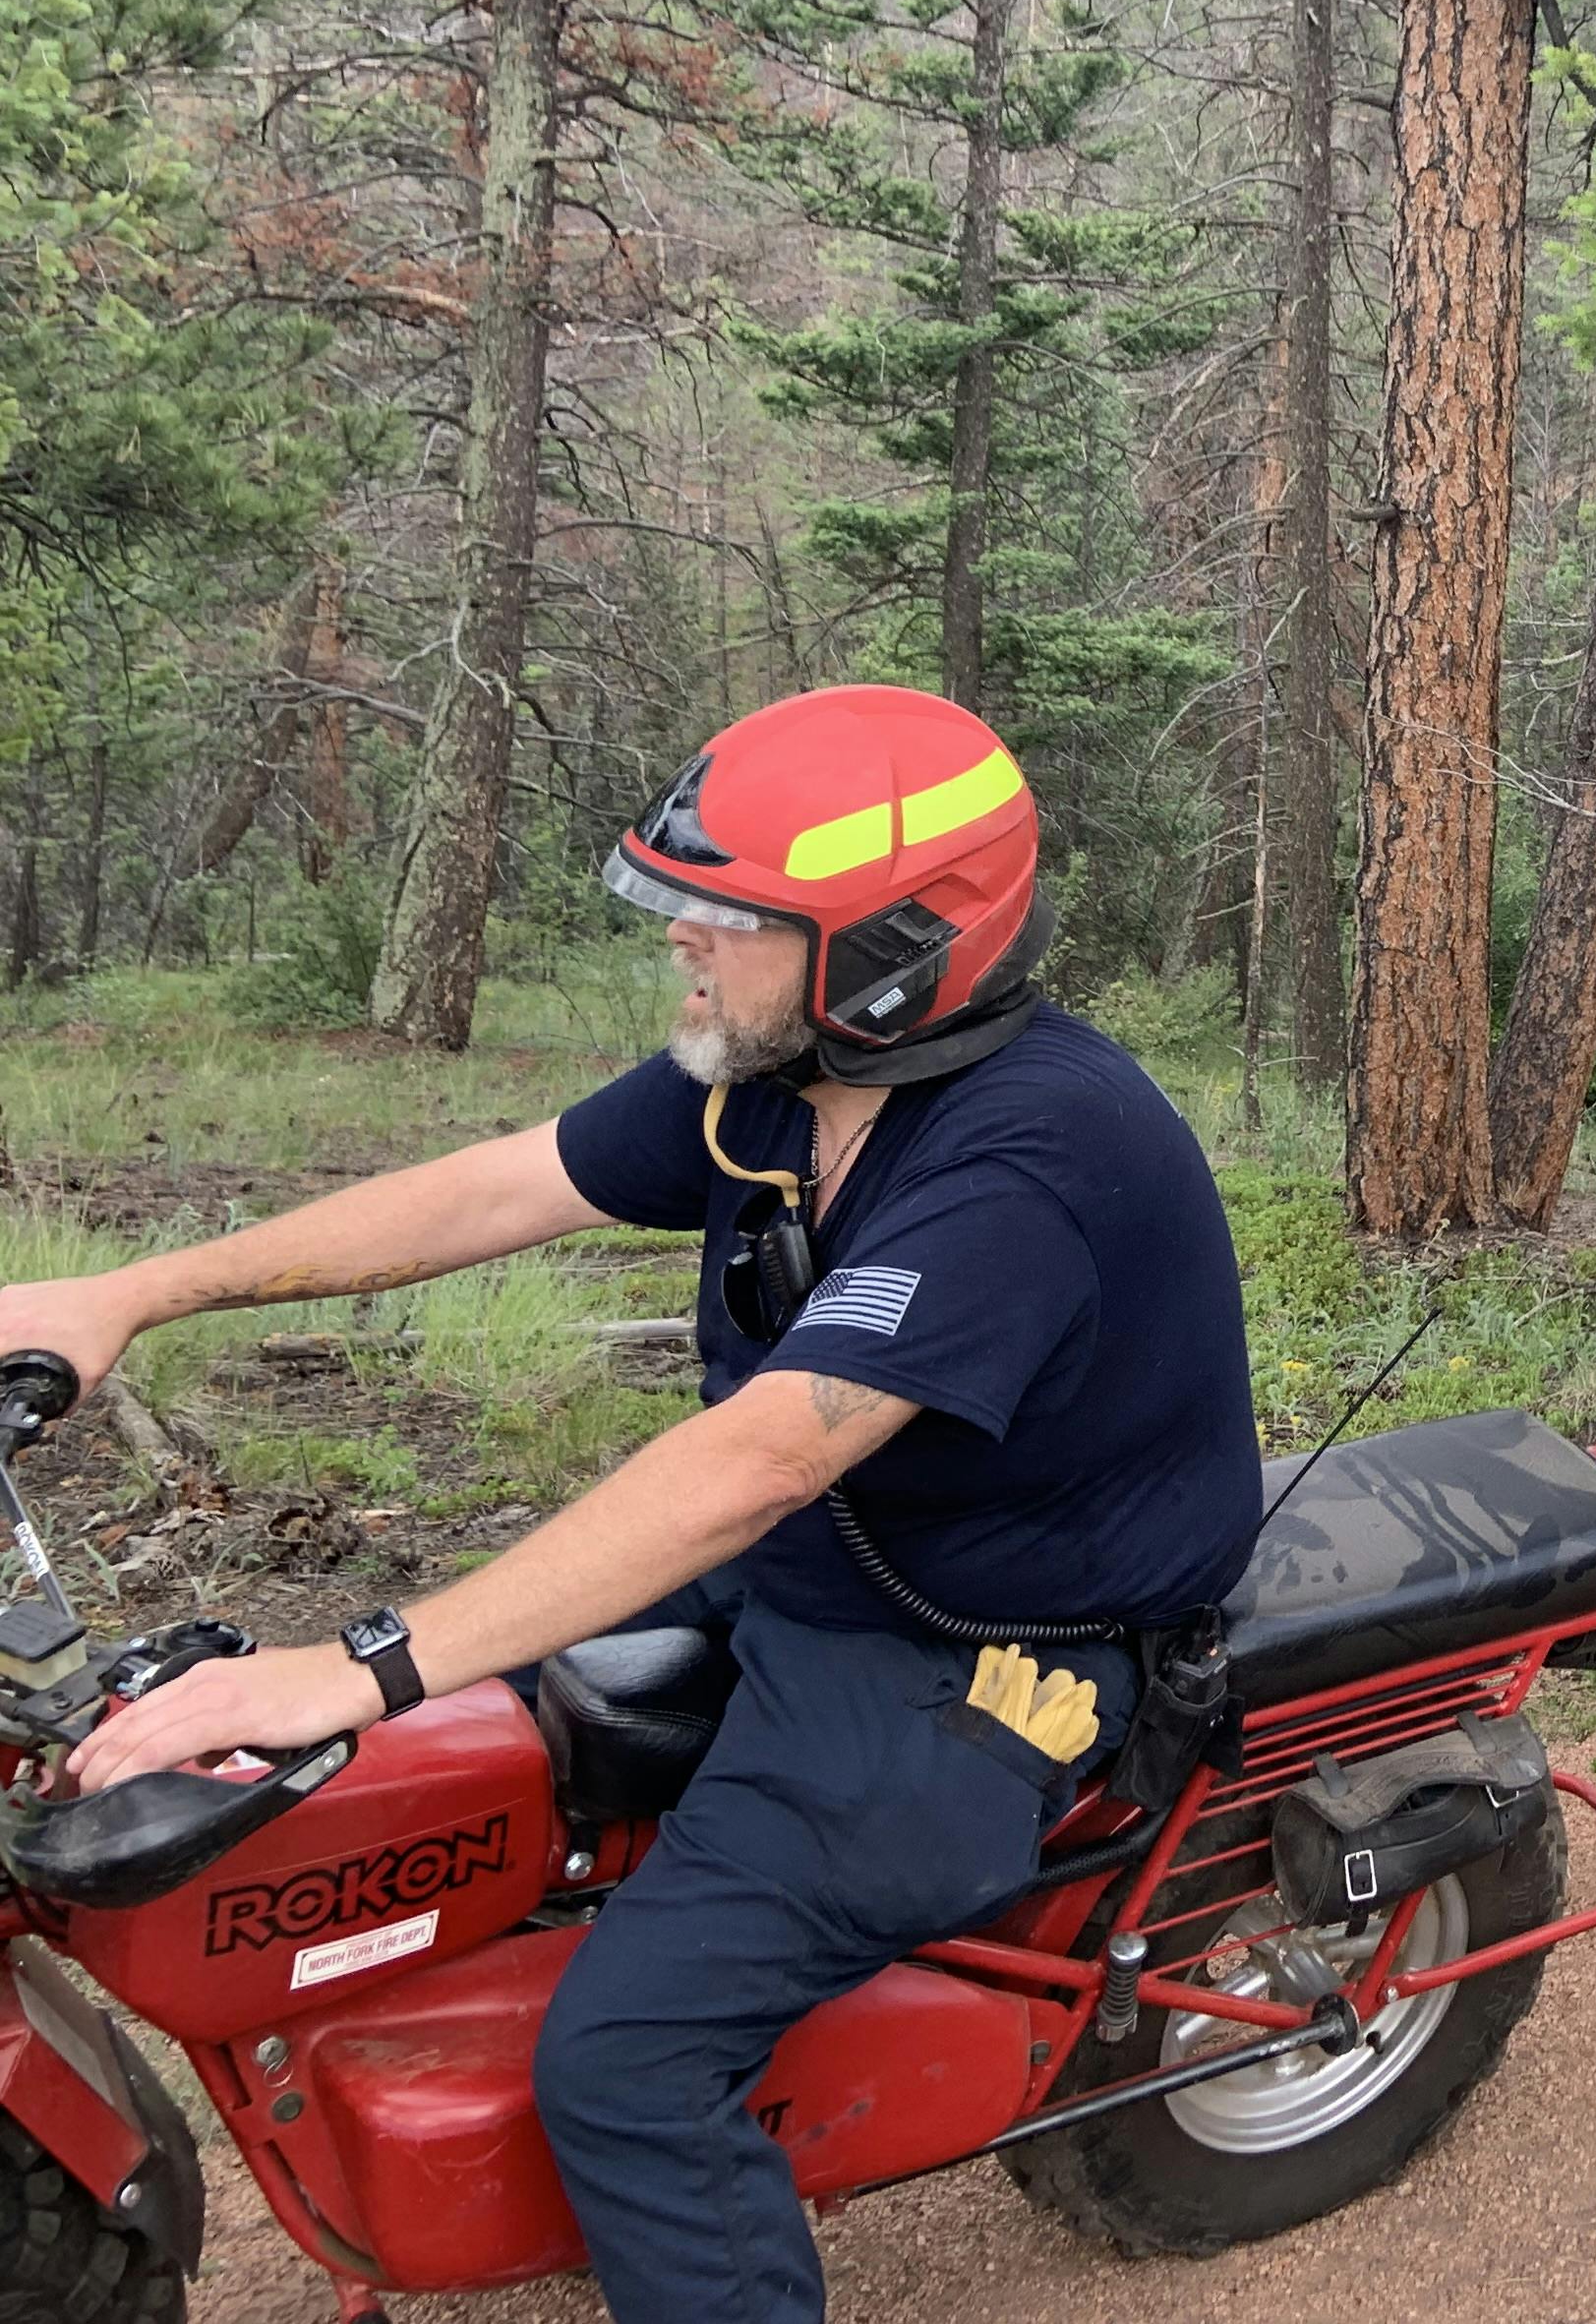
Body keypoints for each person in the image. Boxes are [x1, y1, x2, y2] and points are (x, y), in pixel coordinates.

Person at [0, 685, 1263, 2318]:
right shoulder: (772, 1078)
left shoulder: (1029, 1160)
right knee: (459, 1792)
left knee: (626, 2059)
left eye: (726, 919)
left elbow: (751, 1460)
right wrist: (131, 1291)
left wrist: (352, 1660)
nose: (680, 939)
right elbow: (502, 1181)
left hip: (986, 1642)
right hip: (823, 1562)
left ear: (890, 950)